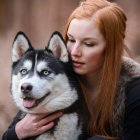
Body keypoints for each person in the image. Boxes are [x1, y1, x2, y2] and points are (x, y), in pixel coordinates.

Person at [2, 0, 140, 140]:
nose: (74, 52)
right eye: (71, 40)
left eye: (88, 44)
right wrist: (18, 132)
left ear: (111, 49)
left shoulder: (134, 91)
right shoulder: (60, 80)